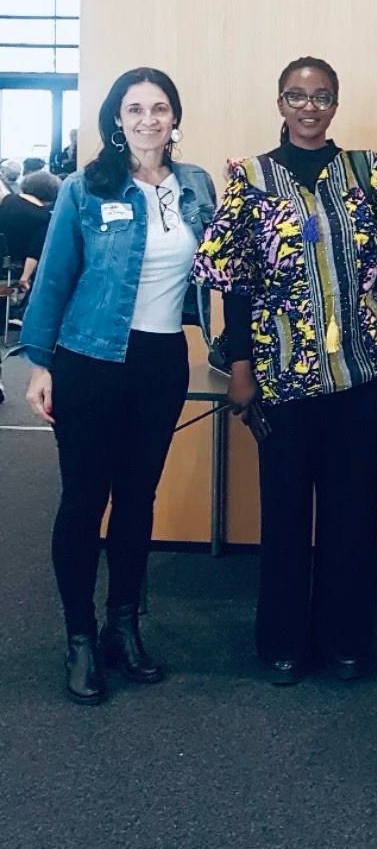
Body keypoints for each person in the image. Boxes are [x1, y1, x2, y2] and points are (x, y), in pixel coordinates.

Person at [191, 56, 377, 685]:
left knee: (352, 512)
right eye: (297, 95)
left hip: (361, 378)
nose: (309, 107)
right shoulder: (251, 179)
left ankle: (346, 641)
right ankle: (283, 642)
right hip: (281, 380)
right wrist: (241, 368)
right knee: (286, 513)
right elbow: (234, 282)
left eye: (321, 96)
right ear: (280, 103)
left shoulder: (370, 173)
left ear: (336, 104)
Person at [18, 68, 216, 704]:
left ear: (174, 118)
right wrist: (40, 363)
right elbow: (54, 276)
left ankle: (121, 628)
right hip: (89, 358)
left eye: (159, 108)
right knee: (84, 500)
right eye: (135, 109)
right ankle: (78, 638)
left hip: (161, 362)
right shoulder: (87, 187)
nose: (148, 120)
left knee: (137, 500)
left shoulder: (196, 185)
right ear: (116, 119)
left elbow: (222, 268)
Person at [0, 168, 61, 296]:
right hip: (15, 268)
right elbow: (34, 251)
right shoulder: (44, 218)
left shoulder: (8, 200)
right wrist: (25, 277)